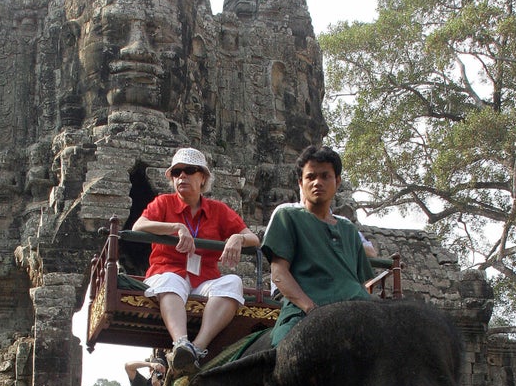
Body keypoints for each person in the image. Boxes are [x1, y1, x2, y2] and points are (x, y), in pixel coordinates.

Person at [133, 148, 260, 372]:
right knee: (171, 280)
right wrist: (176, 227)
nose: (182, 176)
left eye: (189, 171)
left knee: (233, 283)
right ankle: (181, 341)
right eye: (177, 172)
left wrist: (237, 237)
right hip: (167, 272)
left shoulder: (218, 210)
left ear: (203, 178)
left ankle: (196, 349)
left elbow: (254, 239)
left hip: (204, 279)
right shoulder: (163, 203)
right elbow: (138, 226)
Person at [261, 145, 375, 346]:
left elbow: (363, 283)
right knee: (281, 356)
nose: (317, 183)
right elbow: (279, 274)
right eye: (310, 177)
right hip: (304, 311)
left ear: (337, 181)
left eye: (325, 176)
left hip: (356, 310)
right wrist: (312, 310)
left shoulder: (348, 229)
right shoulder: (287, 216)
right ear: (300, 182)